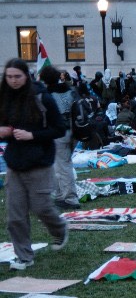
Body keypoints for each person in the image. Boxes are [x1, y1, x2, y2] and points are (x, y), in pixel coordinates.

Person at [0, 59, 69, 270]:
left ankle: (60, 230)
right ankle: (24, 257)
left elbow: (60, 128)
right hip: (14, 162)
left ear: (26, 76)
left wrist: (32, 135)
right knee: (15, 215)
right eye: (9, 77)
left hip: (39, 160)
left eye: (17, 76)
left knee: (42, 207)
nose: (13, 81)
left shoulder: (42, 97)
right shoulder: (4, 98)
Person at [37, 66, 81, 210]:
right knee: (61, 164)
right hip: (74, 130)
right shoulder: (70, 90)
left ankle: (70, 198)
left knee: (62, 166)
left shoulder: (47, 93)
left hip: (59, 132)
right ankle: (62, 195)